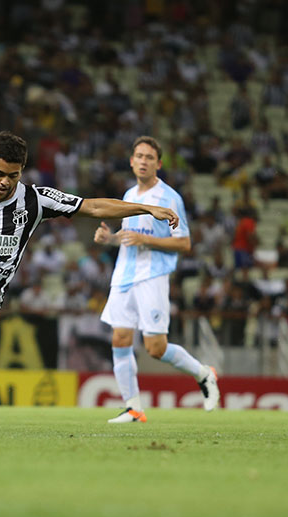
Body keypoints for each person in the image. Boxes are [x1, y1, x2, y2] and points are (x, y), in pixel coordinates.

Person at [0, 131, 179, 429]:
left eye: (13, 176)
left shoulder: (35, 200)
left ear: (21, 172)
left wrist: (147, 208)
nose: (5, 182)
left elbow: (91, 206)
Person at [94, 136, 220, 424]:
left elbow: (185, 243)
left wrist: (146, 240)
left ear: (159, 164)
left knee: (155, 348)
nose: (143, 161)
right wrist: (109, 239)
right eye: (139, 155)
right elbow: (129, 239)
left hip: (152, 276)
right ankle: (134, 408)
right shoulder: (128, 195)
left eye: (149, 157)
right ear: (131, 160)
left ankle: (204, 373)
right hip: (124, 274)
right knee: (120, 339)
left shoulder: (170, 198)